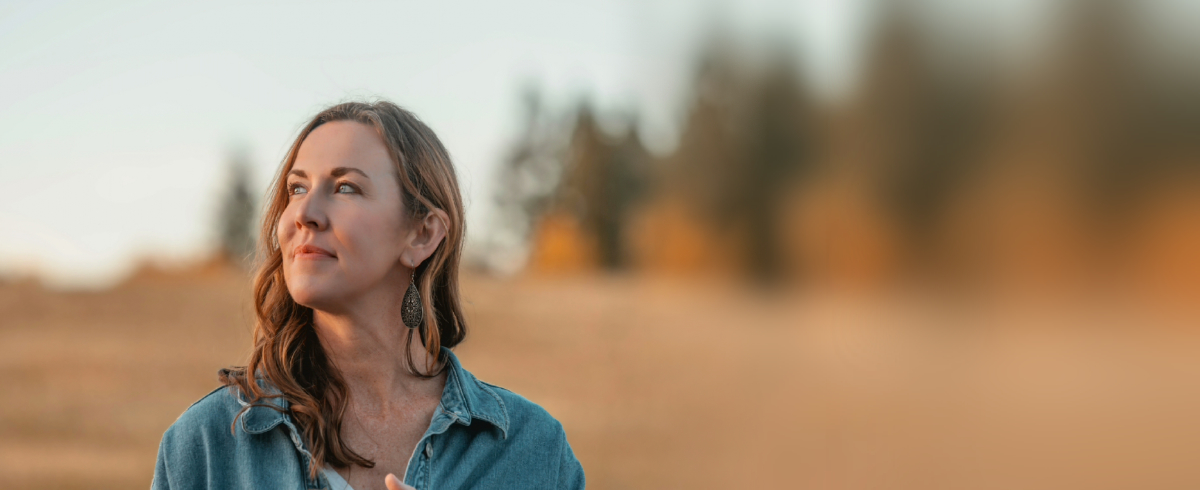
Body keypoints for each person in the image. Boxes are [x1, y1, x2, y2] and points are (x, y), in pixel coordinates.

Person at [151, 101, 586, 490]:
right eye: (297, 188)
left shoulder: (533, 451)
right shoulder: (205, 447)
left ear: (422, 234)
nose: (304, 213)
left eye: (345, 188)